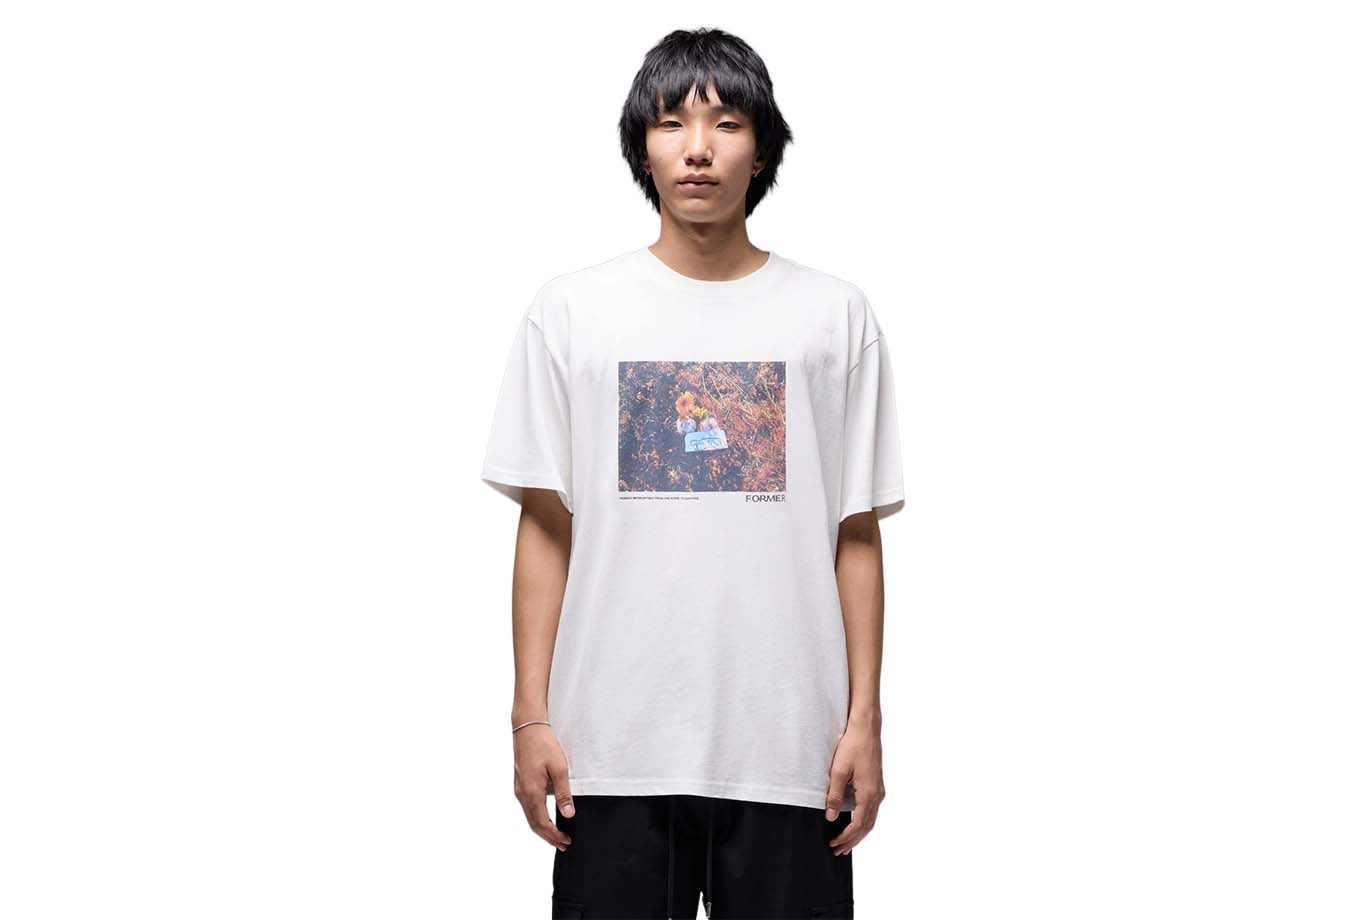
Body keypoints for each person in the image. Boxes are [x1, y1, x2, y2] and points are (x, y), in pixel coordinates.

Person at [480, 27, 905, 920]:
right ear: (643, 147)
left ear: (764, 149)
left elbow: (855, 533)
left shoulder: (833, 317)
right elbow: (547, 527)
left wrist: (865, 720)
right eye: (672, 123)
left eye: (727, 124)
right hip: (612, 753)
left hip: (791, 755)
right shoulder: (572, 312)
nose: (699, 148)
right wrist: (530, 716)